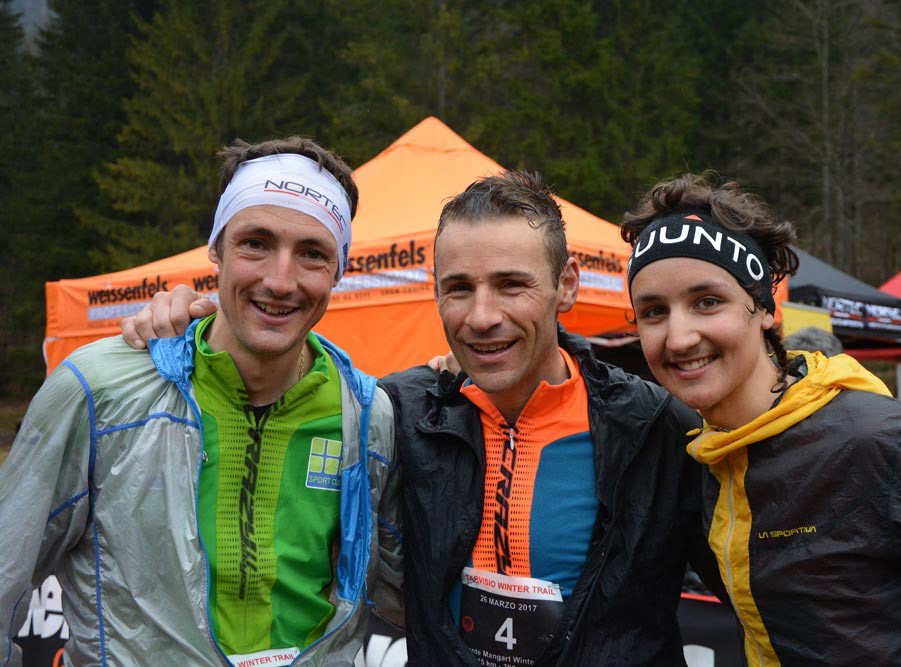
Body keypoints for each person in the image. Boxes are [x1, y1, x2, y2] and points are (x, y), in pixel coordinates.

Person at [122, 171, 723, 666]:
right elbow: (274, 380)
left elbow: (752, 591)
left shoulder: (657, 428)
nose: (481, 317)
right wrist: (194, 324)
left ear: (565, 286)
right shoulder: (397, 413)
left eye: (511, 285)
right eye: (458, 288)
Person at [0, 137, 402, 667]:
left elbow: (409, 593)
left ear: (338, 269)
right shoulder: (99, 390)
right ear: (216, 249)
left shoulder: (368, 415)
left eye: (312, 253)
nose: (280, 281)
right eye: (255, 243)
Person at [621, 172, 901, 666]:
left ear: (764, 309)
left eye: (707, 302)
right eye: (654, 311)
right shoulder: (706, 458)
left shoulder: (884, 443)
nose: (679, 337)